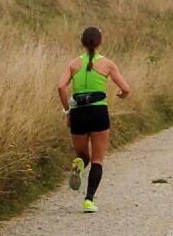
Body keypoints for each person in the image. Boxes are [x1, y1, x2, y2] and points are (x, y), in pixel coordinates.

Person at [56, 26, 131, 213]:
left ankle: (79, 164)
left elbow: (61, 87)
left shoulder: (73, 64)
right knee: (98, 159)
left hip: (78, 113)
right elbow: (126, 88)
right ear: (99, 42)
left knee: (83, 156)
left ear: (82, 42)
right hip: (98, 112)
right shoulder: (107, 64)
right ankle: (88, 200)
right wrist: (122, 94)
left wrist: (68, 110)